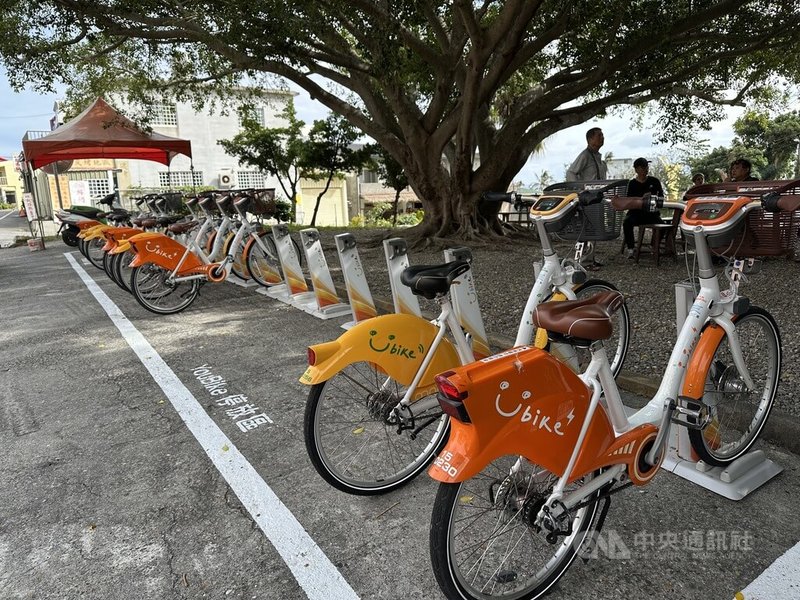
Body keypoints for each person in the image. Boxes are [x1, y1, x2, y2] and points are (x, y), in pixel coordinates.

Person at [623, 157, 665, 258]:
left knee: (663, 226)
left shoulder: (654, 181)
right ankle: (631, 248)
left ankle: (654, 245)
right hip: (635, 213)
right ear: (636, 169)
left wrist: (654, 198)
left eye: (646, 167)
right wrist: (641, 198)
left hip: (651, 213)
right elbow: (629, 200)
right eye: (642, 167)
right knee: (627, 222)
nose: (645, 170)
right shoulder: (632, 183)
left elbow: (661, 197)